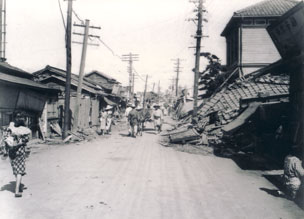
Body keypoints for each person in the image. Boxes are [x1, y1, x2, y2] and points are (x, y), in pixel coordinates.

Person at [3, 114, 31, 198]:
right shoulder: (24, 131)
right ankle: (17, 190)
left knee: (16, 170)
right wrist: (21, 142)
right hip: (20, 153)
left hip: (11, 153)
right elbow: (25, 141)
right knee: (20, 172)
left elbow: (5, 139)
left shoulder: (11, 130)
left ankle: (18, 186)